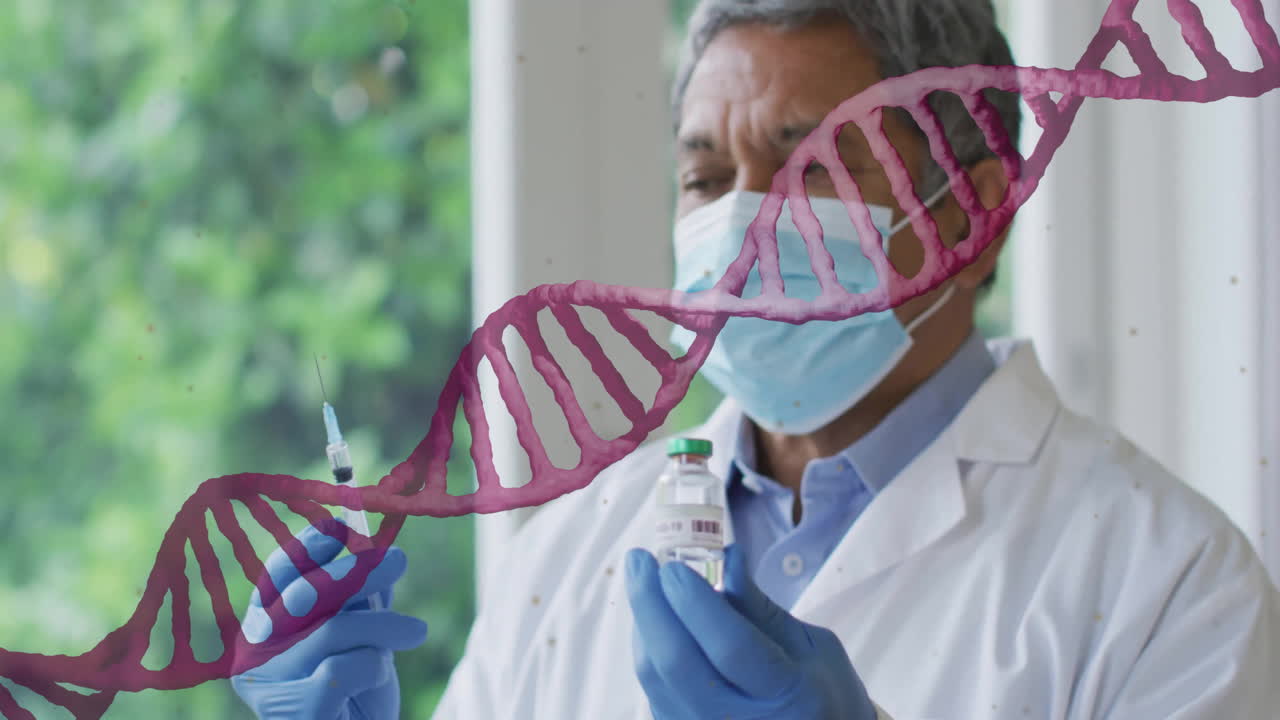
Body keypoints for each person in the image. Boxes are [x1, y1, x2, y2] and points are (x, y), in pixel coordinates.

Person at [232, 1, 1280, 718]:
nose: (741, 222)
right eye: (704, 179)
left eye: (809, 161)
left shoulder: (1166, 584)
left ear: (976, 210)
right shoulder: (572, 553)